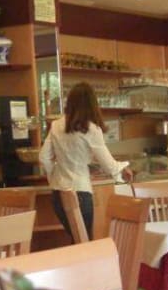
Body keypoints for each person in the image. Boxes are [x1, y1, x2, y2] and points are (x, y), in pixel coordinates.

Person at [39, 82, 133, 241]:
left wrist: (54, 176)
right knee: (84, 242)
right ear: (92, 104)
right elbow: (109, 165)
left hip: (58, 194)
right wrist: (123, 168)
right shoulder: (91, 129)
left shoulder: (56, 125)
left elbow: (43, 157)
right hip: (80, 192)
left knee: (77, 240)